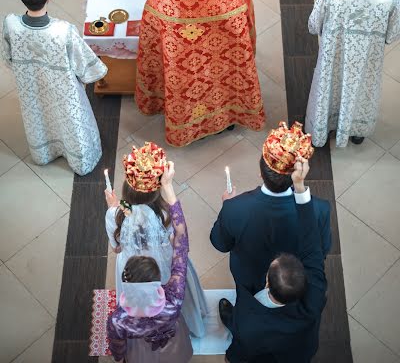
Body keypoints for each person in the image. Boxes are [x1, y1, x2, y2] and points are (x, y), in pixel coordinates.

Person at [135, 0, 265, 147]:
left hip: (182, 70)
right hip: (220, 65)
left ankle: (190, 126)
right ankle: (225, 119)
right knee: (220, 85)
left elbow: (149, 41)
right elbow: (247, 31)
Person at [219, 156, 327, 363]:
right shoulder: (315, 296)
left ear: (267, 282)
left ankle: (230, 319)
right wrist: (300, 188)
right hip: (300, 351)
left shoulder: (249, 323)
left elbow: (239, 351)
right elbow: (314, 246)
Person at [1, 0, 107, 175]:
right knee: (70, 121)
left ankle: (44, 154)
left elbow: (8, 57)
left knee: (38, 116)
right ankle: (79, 161)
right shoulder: (63, 31)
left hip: (31, 86)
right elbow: (84, 65)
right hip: (63, 90)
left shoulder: (11, 24)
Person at [210, 121, 331, 294]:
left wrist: (228, 207)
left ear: (260, 172)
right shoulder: (320, 209)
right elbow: (322, 250)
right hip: (291, 285)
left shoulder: (234, 208)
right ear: (298, 174)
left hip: (249, 280)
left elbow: (220, 243)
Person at [105, 141, 208, 337]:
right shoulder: (165, 212)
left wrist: (114, 208)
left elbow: (116, 249)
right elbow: (180, 236)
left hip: (131, 269)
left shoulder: (114, 215)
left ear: (127, 188)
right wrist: (168, 187)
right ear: (157, 189)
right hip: (164, 265)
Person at [305, 0, 400, 147]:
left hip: (333, 61)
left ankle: (323, 128)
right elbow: (392, 36)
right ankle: (356, 132)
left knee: (329, 88)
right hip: (367, 64)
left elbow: (312, 26)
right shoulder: (391, 2)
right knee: (361, 91)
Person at [107, 160, 193, 363]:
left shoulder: (119, 319)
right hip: (173, 349)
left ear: (126, 280)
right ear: (158, 280)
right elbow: (181, 236)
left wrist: (120, 358)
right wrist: (168, 187)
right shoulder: (174, 298)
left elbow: (118, 346)